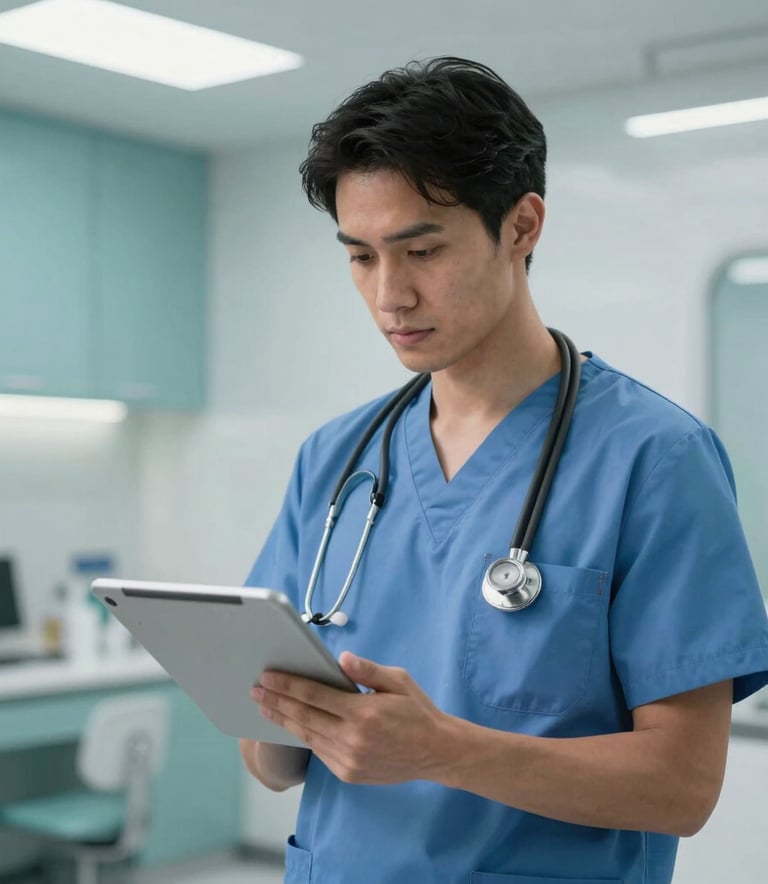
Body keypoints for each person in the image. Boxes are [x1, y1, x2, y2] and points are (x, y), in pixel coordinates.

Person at [238, 57, 768, 884]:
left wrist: (442, 750)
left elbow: (683, 788)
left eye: (420, 249)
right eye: (361, 257)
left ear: (521, 226)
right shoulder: (334, 461)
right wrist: (283, 722)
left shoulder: (655, 459)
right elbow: (271, 763)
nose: (390, 296)